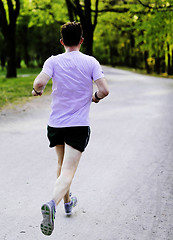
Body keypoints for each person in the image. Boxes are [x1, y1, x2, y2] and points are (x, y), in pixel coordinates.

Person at [32, 22, 109, 236]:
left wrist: (36, 90)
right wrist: (95, 97)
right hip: (78, 125)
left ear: (62, 41)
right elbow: (104, 90)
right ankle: (52, 204)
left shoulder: (53, 61)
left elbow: (39, 84)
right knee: (68, 170)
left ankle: (68, 203)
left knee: (61, 164)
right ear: (81, 40)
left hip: (56, 124)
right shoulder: (90, 62)